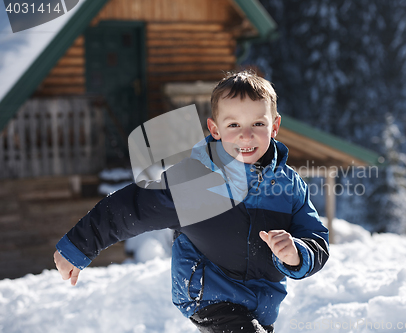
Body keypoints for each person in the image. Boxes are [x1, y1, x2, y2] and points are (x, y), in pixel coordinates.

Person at [54, 70, 329, 333]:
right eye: (234, 125)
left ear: (275, 126)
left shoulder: (290, 187)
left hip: (264, 305)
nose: (246, 135)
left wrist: (296, 254)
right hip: (209, 295)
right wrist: (79, 245)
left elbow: (316, 238)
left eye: (258, 123)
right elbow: (132, 208)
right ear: (215, 129)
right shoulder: (197, 179)